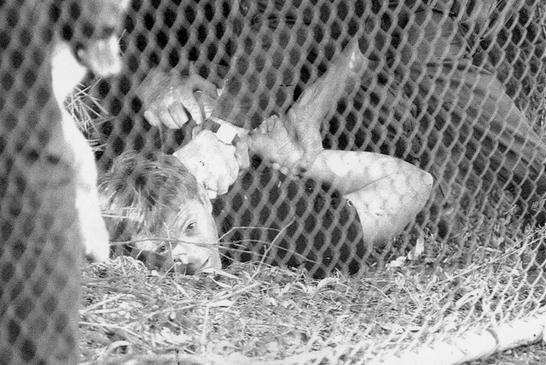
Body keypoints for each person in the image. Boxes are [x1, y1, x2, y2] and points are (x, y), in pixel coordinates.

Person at [98, 41, 433, 277]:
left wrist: (155, 84)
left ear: (206, 197)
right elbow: (413, 184)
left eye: (189, 228)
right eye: (161, 250)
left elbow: (417, 181)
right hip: (246, 77)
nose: (185, 256)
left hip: (289, 62)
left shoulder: (274, 224)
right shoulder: (272, 231)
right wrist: (298, 161)